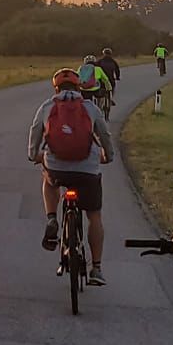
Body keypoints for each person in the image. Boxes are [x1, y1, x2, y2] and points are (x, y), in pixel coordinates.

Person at [29, 67, 114, 285]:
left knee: (48, 180)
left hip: (56, 166)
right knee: (94, 216)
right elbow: (104, 133)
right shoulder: (89, 107)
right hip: (87, 170)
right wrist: (108, 155)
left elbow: (36, 131)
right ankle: (97, 268)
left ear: (55, 88)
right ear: (78, 87)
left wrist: (34, 155)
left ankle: (51, 218)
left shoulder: (47, 107)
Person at [77, 52, 113, 118]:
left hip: (84, 89)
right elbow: (105, 79)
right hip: (96, 89)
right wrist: (109, 88)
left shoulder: (81, 68)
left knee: (85, 100)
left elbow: (77, 78)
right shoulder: (98, 69)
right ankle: (99, 108)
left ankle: (86, 111)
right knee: (101, 96)